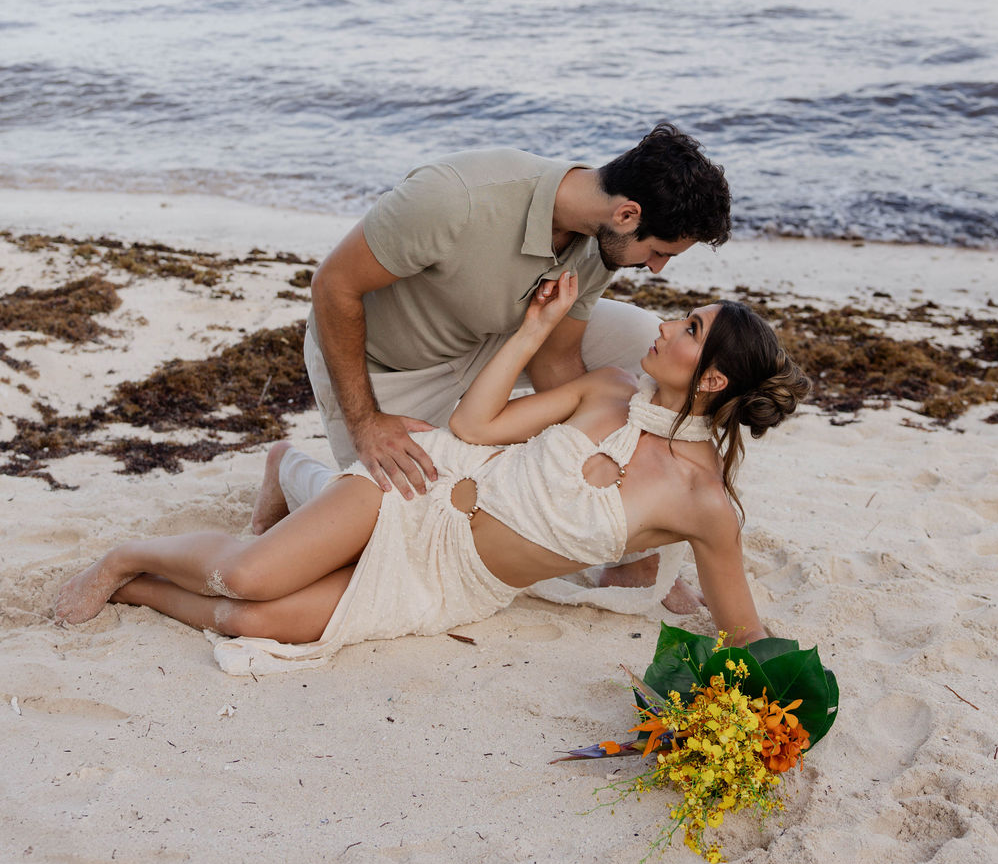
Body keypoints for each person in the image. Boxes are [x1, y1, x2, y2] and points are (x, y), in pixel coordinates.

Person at [54, 272, 809, 677]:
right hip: (425, 491)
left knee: (252, 624)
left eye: (690, 330)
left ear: (711, 382)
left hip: (453, 582)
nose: (670, 324)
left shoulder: (704, 504)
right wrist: (534, 331)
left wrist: (772, 717)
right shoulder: (609, 386)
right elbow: (476, 427)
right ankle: (129, 554)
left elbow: (743, 631)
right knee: (248, 578)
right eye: (686, 316)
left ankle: (157, 576)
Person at [261, 124, 732, 607]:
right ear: (628, 213)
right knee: (399, 534)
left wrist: (590, 466)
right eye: (658, 252)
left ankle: (634, 564)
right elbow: (332, 287)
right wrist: (365, 422)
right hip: (388, 367)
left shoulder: (602, 240)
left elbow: (559, 357)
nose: (656, 268)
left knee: (648, 346)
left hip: (498, 339)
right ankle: (287, 468)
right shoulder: (456, 197)